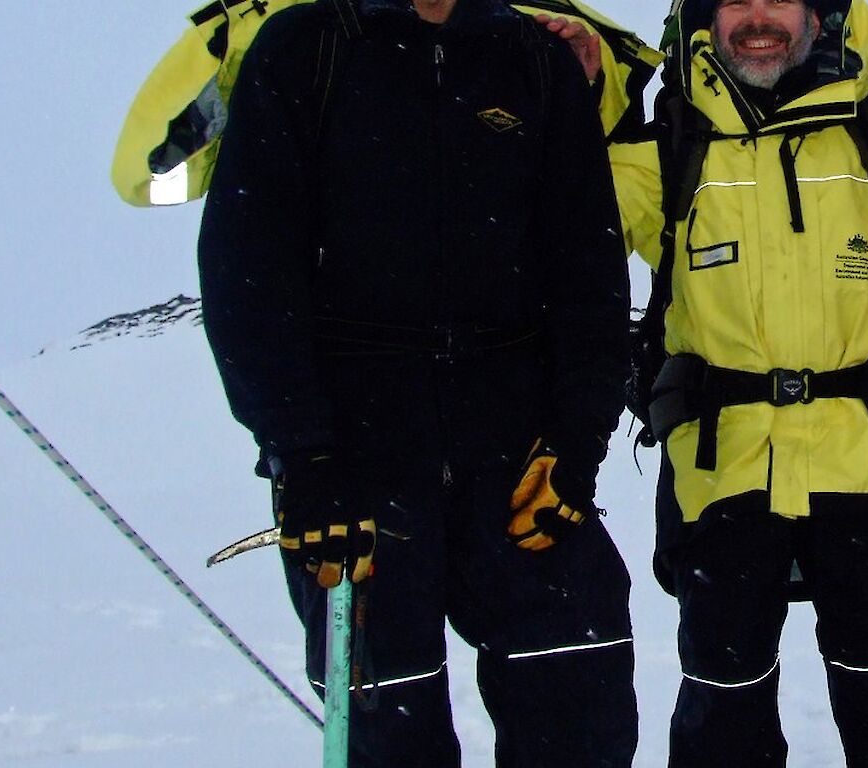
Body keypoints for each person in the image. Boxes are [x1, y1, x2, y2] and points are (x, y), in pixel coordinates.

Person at [197, 0, 636, 765]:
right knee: (389, 724)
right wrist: (305, 456)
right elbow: (249, 267)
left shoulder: (533, 59)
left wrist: (577, 439)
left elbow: (588, 272)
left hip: (519, 449)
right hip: (359, 456)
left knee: (576, 693)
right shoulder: (306, 48)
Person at [603, 0, 868, 764]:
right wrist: (588, 88)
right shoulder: (670, 146)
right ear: (703, 20)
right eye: (734, 2)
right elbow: (565, 216)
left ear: (820, 17)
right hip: (721, 469)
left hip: (865, 463)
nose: (758, 17)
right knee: (724, 719)